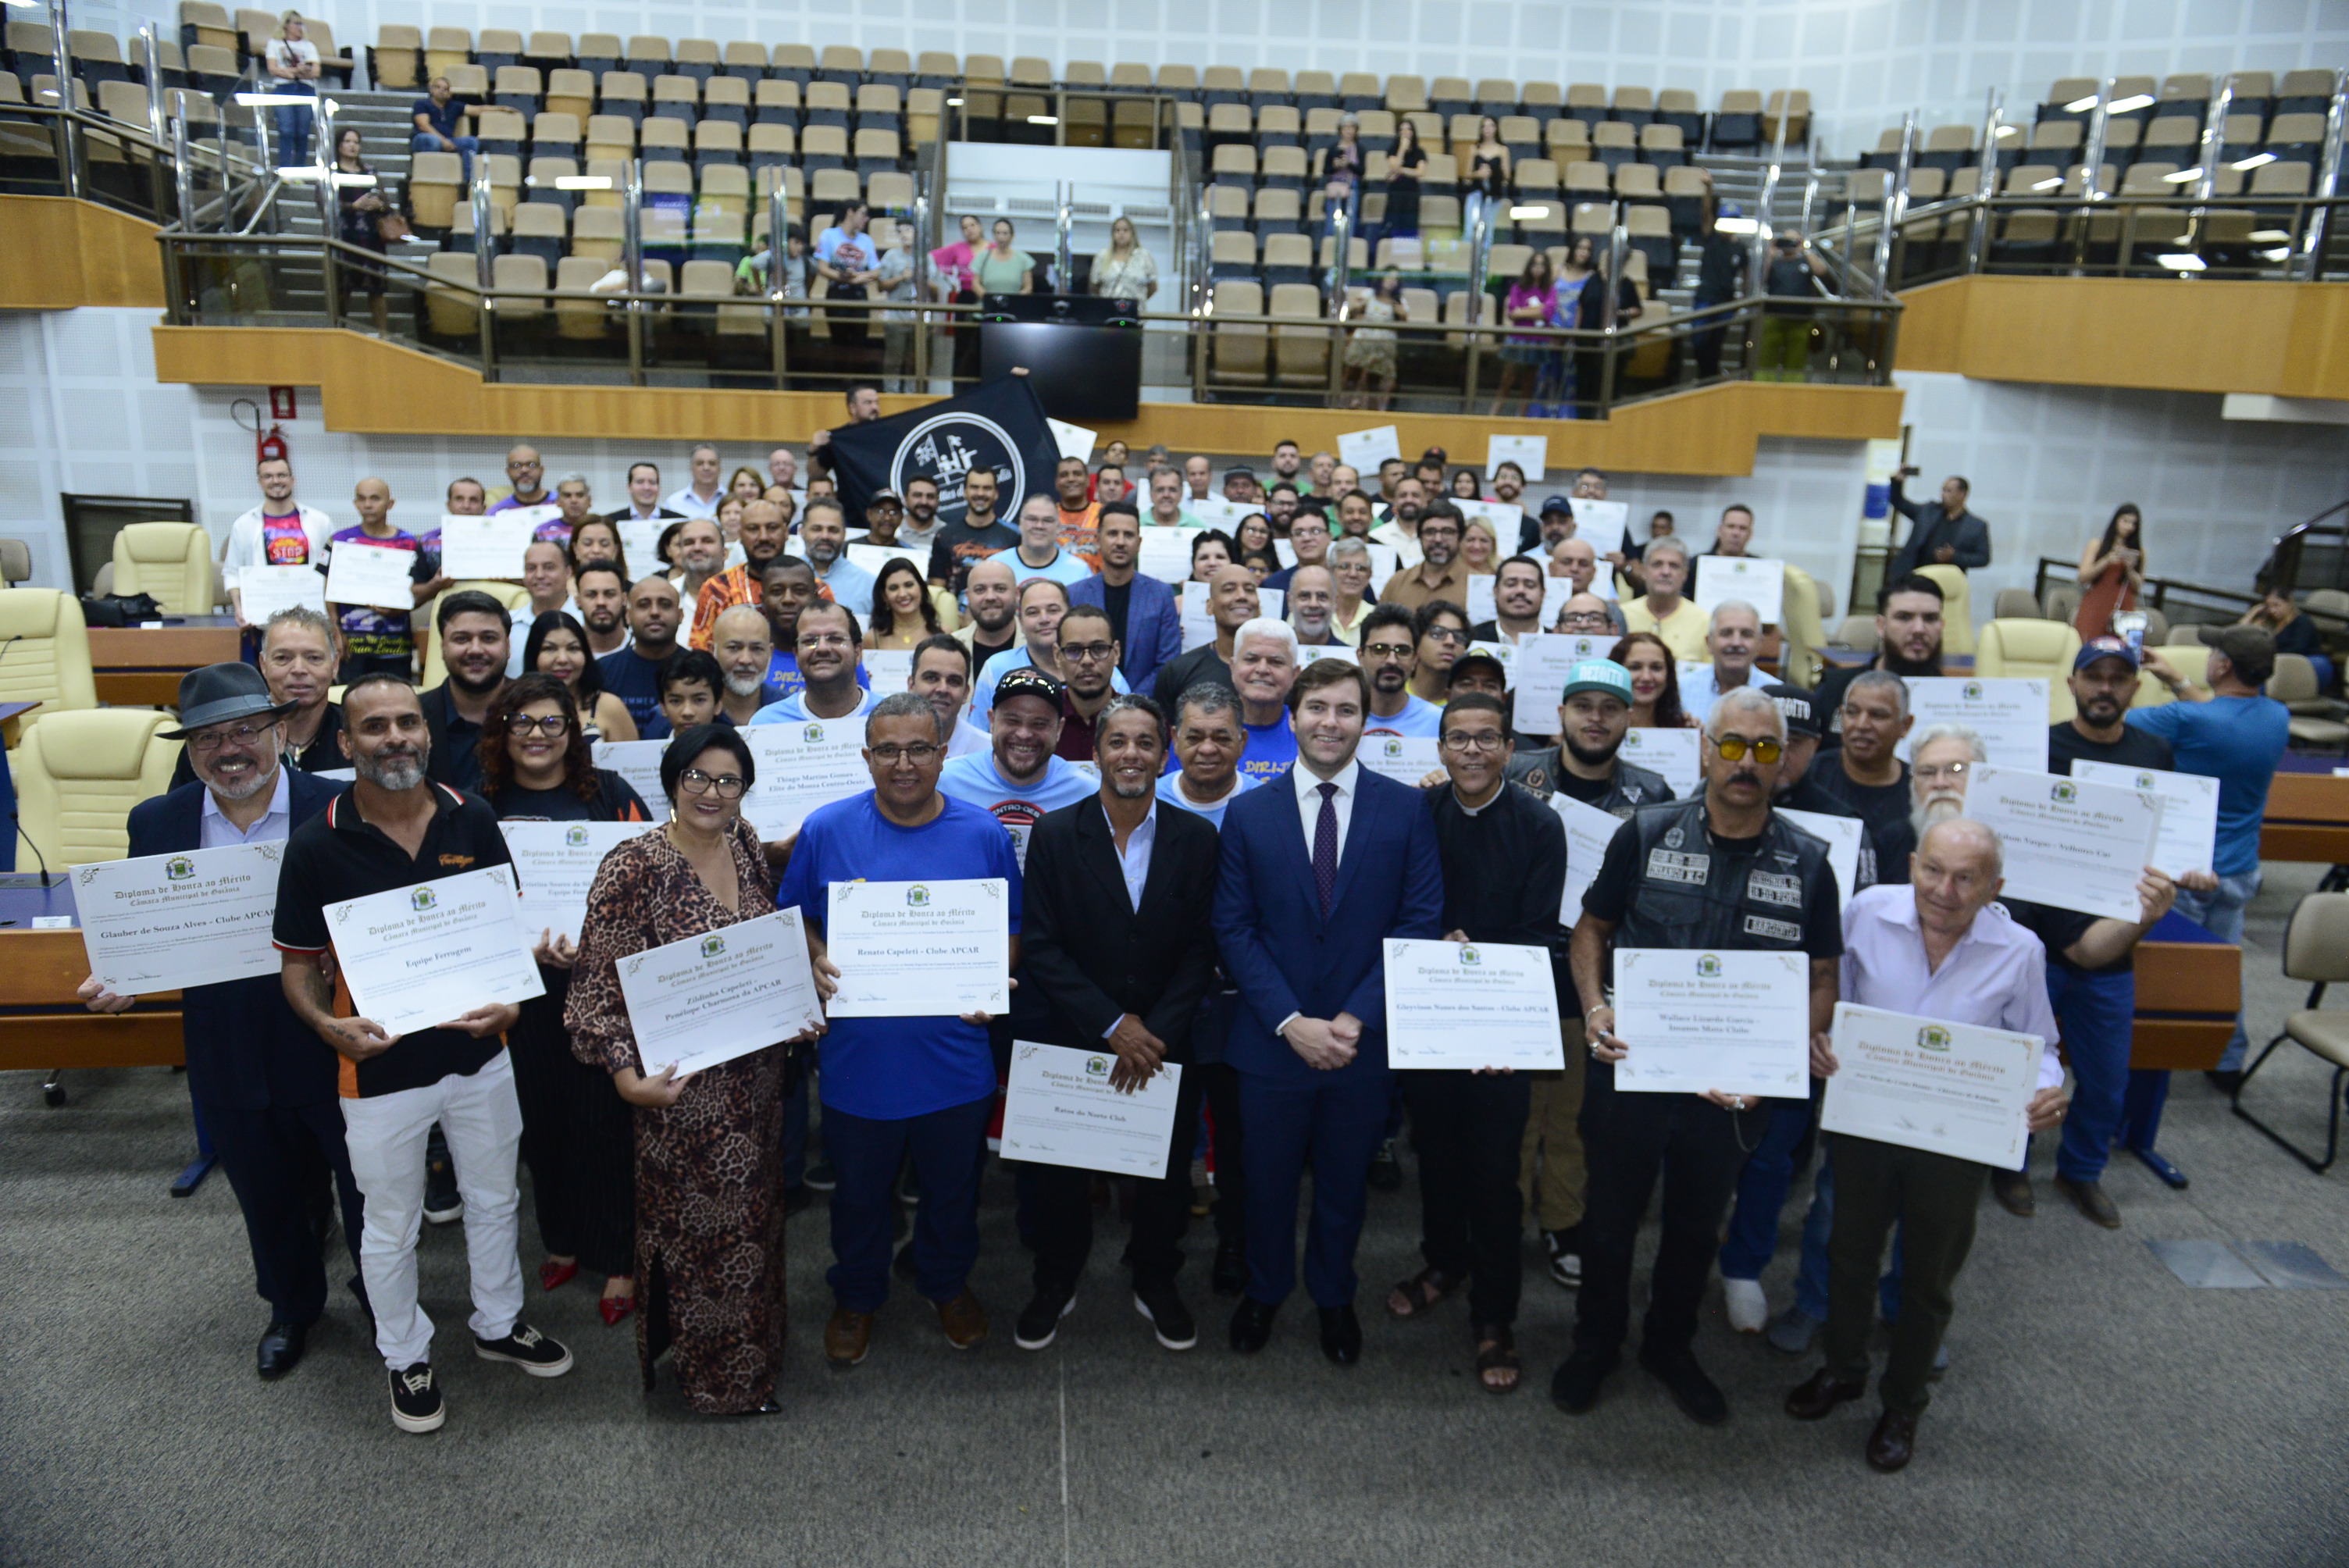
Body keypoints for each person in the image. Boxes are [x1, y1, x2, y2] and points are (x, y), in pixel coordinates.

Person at [273, 676, 572, 1434]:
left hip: (480, 1053)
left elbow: (508, 932)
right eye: (374, 727)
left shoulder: (473, 816)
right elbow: (298, 967)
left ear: (427, 733)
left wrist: (515, 1001)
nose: (395, 738)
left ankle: (498, 1323)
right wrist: (326, 1025)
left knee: (496, 1199)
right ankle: (404, 1353)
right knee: (391, 1222)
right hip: (379, 1069)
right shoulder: (316, 843)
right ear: (347, 742)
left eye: (407, 721)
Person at [1556, 686, 1841, 1425]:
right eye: (1733, 745)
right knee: (1609, 1222)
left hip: (1731, 1089)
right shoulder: (1647, 833)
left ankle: (1669, 1345)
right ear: (1707, 750)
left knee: (1693, 1227)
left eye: (1766, 748)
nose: (1748, 762)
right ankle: (1595, 1343)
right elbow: (1591, 931)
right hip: (1632, 1072)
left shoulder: (1810, 862)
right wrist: (1594, 1008)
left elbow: (1821, 975)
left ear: (1784, 760)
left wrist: (1778, 1063)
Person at [80, 665, 362, 1381]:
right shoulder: (157, 821)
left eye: (244, 730)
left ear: (279, 731)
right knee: (263, 1190)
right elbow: (147, 933)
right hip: (226, 1040)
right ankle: (291, 1308)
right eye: (208, 738)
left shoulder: (340, 807)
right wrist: (122, 977)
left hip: (332, 1035)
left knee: (365, 1183)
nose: (229, 749)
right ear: (190, 750)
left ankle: (384, 1294)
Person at [1777, 818, 2067, 1470]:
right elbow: (1837, 1003)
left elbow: (2040, 1045)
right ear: (1912, 864)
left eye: (1967, 878)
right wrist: (1821, 1040)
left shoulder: (2020, 949)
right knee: (1847, 1254)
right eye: (1933, 870)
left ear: (1995, 887)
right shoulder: (1866, 913)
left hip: (1957, 1138)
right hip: (1866, 1120)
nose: (1945, 890)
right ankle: (1843, 1369)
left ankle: (1904, 1403)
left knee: (1929, 1277)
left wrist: (2048, 1089)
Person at [566, 724, 812, 1413]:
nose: (712, 792)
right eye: (697, 776)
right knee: (700, 1239)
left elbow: (762, 949)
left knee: (756, 1227)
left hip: (757, 1087)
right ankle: (716, 1385)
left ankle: (759, 1357)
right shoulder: (632, 866)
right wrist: (626, 1079)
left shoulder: (745, 842)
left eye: (729, 780)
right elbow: (594, 995)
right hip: (681, 1095)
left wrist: (796, 999)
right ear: (672, 779)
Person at [777, 693, 1023, 1365]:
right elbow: (795, 917)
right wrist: (815, 956)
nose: (904, 764)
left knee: (953, 1193)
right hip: (859, 1061)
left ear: (944, 754)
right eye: (888, 750)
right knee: (859, 1196)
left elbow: (1010, 927)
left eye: (919, 749)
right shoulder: (827, 828)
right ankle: (857, 1296)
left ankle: (947, 1284)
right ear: (866, 757)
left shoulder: (983, 834)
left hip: (956, 1060)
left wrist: (990, 982)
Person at [1214, 657, 1442, 1363]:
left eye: (1346, 710)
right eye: (1317, 709)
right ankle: (1265, 1290)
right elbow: (1233, 928)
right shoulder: (1248, 811)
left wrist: (1355, 1017)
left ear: (1365, 723)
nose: (1330, 723)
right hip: (1271, 1042)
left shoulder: (1405, 809)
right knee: (1267, 1184)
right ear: (1292, 718)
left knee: (1345, 1185)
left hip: (1360, 1045)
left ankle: (1334, 1297)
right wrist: (1290, 1021)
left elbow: (1419, 919)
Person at [1014, 694, 1223, 1350]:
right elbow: (1041, 944)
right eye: (1118, 742)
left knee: (1164, 1174)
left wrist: (1153, 1032)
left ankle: (1155, 1277)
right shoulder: (1055, 835)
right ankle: (1056, 1278)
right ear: (1096, 753)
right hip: (1074, 1034)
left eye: (1145, 743)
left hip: (1164, 1041)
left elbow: (1202, 947)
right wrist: (1111, 1024)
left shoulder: (1197, 839)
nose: (1131, 754)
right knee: (1060, 1178)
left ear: (1165, 754)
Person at [1388, 692, 1564, 1394]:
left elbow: (1543, 932)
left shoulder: (1539, 824)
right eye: (1458, 738)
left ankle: (1495, 1313)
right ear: (1439, 749)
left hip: (1502, 1022)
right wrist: (1437, 944)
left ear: (1509, 750)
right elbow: (1396, 904)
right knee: (1435, 1154)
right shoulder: (1418, 813)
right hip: (1430, 1013)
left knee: (1494, 1174)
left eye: (1487, 738)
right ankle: (1444, 1262)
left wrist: (1473, 953)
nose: (1471, 751)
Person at [474, 674, 651, 1327]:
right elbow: (468, 905)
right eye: (521, 722)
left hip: (608, 989)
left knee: (605, 1124)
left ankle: (620, 1257)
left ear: (574, 732)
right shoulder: (478, 805)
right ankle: (563, 1240)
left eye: (553, 722)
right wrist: (525, 950)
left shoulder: (610, 793)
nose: (537, 735)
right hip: (523, 994)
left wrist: (603, 941)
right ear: (501, 732)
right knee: (542, 1122)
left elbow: (652, 878)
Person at [1500, 658, 1676, 1286]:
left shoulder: (1653, 796)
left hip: (1593, 978)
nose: (1595, 719)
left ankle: (1562, 1221)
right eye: (1583, 706)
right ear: (1561, 714)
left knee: (1574, 1119)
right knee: (1515, 1116)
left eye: (1609, 708)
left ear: (1629, 718)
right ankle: (1503, 1221)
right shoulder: (1517, 774)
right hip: (1517, 972)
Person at [2135, 625, 2293, 1085]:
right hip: (2240, 869)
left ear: (2222, 666)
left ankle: (2152, 1057)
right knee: (2223, 967)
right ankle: (2227, 1061)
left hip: (2185, 869)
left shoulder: (2185, 720)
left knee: (2162, 967)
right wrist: (2177, 680)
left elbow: (2107, 722)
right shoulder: (2277, 716)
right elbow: (2223, 717)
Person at [939, 667, 1100, 868]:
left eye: (1039, 724)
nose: (1024, 734)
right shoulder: (945, 783)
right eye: (1012, 721)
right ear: (992, 721)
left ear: (1059, 729)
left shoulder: (1088, 795)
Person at [1808, 670, 1917, 888]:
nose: (1862, 724)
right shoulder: (1810, 774)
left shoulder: (1917, 791)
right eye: (1852, 712)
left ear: (1905, 725)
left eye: (1878, 715)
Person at [318, 476, 428, 681]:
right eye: (362, 499)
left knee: (396, 696)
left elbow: (418, 591)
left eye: (375, 498)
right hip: (352, 646)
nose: (368, 505)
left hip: (395, 645)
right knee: (351, 697)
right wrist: (335, 630)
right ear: (355, 503)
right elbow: (329, 590)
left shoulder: (409, 543)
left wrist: (401, 608)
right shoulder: (339, 541)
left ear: (390, 503)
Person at [1811, 574, 1947, 736]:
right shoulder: (1836, 688)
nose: (1919, 629)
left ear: (1941, 626)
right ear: (1881, 626)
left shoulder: (1952, 698)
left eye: (1930, 619)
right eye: (1904, 617)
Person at [1071, 502, 1182, 694]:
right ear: (1098, 540)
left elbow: (1167, 662)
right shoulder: (1075, 594)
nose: (1120, 542)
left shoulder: (1161, 595)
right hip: (1087, 701)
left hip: (1144, 703)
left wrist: (1130, 702)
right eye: (1113, 534)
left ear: (1139, 543)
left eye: (1128, 535)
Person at [222, 456, 336, 629]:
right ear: (260, 482)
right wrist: (239, 609)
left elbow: (333, 570)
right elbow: (232, 572)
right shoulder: (244, 525)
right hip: (264, 620)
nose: (275, 481)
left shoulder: (320, 521)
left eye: (281, 475)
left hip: (313, 619)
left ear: (292, 480)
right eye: (268, 476)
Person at [418, 590, 511, 791]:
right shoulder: (413, 715)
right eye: (461, 639)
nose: (475, 649)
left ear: (508, 646)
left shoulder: (534, 709)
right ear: (442, 648)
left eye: (488, 638)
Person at [1151, 564, 1261, 713]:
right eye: (1229, 589)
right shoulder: (1178, 671)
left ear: (1259, 607)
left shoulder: (1276, 670)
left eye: (1249, 590)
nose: (1241, 596)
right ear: (1209, 606)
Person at [750, 602, 878, 725]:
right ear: (796, 655)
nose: (822, 648)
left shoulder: (886, 716)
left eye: (835, 639)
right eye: (810, 641)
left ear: (857, 652)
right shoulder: (766, 723)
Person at [522, 610, 638, 744]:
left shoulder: (609, 706)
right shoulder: (519, 707)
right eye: (550, 648)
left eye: (573, 648)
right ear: (534, 655)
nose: (562, 659)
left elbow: (632, 757)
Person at [686, 499, 789, 649]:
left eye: (772, 528)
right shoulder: (717, 588)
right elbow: (701, 652)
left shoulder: (812, 587)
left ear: (786, 532)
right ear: (740, 535)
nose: (763, 537)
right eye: (753, 529)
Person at [597, 576, 684, 739]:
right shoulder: (601, 671)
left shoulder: (702, 669)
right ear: (628, 616)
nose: (655, 612)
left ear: (680, 615)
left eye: (665, 605)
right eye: (644, 605)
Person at [1160, 682, 1256, 826]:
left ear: (1242, 742)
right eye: (1194, 738)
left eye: (1222, 739)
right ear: (1176, 740)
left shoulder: (1265, 804)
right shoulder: (1151, 801)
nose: (1207, 749)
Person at [926, 466, 1019, 602]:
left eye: (987, 488)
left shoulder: (1014, 536)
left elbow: (1018, 581)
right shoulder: (944, 536)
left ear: (996, 493)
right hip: (957, 613)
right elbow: (937, 590)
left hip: (1000, 610)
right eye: (974, 487)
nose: (980, 493)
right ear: (964, 492)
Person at [1886, 465, 1991, 579]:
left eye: (1949, 491)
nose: (1943, 495)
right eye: (1943, 490)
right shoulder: (1928, 511)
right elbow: (1899, 503)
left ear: (1962, 494)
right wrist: (1897, 482)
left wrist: (1955, 556)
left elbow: (1983, 558)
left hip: (1947, 580)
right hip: (1914, 574)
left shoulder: (1976, 526)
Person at [1046, 604, 1121, 760]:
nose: (1087, 661)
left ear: (1116, 653)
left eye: (1099, 649)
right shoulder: (1042, 720)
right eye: (1074, 650)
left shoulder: (1141, 723)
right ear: (1057, 656)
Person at [1355, 604, 1442, 737]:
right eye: (1380, 650)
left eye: (1403, 651)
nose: (1392, 660)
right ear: (1361, 657)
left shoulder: (1437, 722)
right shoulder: (1340, 719)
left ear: (1415, 659)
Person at [1494, 251, 1560, 416]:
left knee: (1529, 384)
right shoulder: (1518, 288)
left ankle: (1522, 417)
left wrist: (1523, 311)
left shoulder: (1550, 290)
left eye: (1542, 265)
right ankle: (1493, 415)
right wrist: (1537, 310)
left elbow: (1547, 313)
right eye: (1535, 264)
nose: (1538, 268)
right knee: (1507, 380)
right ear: (1529, 267)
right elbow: (1512, 313)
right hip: (1517, 338)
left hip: (1538, 340)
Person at [1620, 537, 1706, 661]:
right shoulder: (1622, 615)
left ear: (1685, 574)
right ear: (1644, 571)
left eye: (1674, 566)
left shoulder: (1704, 622)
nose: (1666, 572)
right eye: (1657, 565)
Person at [1676, 600, 1764, 722]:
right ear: (1709, 643)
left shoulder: (1777, 696)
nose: (1736, 643)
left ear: (1759, 644)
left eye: (1746, 634)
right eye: (1726, 634)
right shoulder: (1680, 691)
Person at [2240, 584, 2332, 691]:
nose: (2273, 610)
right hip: (2279, 664)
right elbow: (2241, 633)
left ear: (2289, 603)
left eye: (2277, 605)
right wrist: (2252, 614)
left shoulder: (2303, 622)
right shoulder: (2270, 623)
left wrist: (2271, 657)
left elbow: (2298, 648)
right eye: (2268, 606)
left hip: (2308, 663)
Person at [1379, 505, 1469, 615]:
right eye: (1430, 532)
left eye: (1447, 531)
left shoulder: (1475, 585)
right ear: (1420, 537)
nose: (1438, 539)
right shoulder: (1397, 583)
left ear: (1460, 537)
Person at [2073, 504, 2145, 640]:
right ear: (2116, 521)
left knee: (2120, 646)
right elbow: (2083, 576)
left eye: (2133, 524)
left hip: (2124, 607)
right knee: (2090, 642)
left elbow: (2138, 587)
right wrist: (2107, 560)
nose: (2129, 527)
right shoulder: (2097, 545)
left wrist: (2130, 568)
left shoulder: (2139, 552)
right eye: (2125, 521)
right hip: (2097, 603)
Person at [1003, 493, 1097, 593]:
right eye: (1032, 519)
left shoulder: (1080, 571)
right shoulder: (1000, 564)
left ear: (1058, 527)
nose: (1039, 526)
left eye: (1047, 520)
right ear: (1020, 523)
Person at [707, 604, 785, 725]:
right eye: (734, 648)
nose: (746, 660)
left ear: (770, 653)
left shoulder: (787, 711)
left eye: (757, 649)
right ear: (712, 651)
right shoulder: (696, 714)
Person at [797, 496, 875, 612]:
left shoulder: (868, 585)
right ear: (802, 532)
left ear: (844, 534)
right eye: (817, 529)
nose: (825, 536)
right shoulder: (784, 577)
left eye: (833, 530)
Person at [264, 10, 322, 167]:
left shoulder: (309, 46)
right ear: (286, 25)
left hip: (305, 89)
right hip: (283, 88)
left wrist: (290, 73)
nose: (300, 27)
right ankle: (285, 167)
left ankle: (299, 168)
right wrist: (298, 71)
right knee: (286, 129)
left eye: (301, 24)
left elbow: (316, 72)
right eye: (296, 24)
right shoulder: (274, 43)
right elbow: (273, 69)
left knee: (302, 132)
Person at [1342, 273, 1406, 412]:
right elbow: (1354, 312)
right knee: (1352, 375)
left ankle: (1373, 411)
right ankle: (1344, 407)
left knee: (1374, 381)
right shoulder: (1368, 294)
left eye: (1395, 279)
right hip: (1363, 341)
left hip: (1383, 345)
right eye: (1388, 277)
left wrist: (1400, 313)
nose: (1391, 281)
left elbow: (1403, 322)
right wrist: (1358, 309)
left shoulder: (1399, 301)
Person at [953, 556, 1021, 675]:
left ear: (1017, 595)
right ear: (968, 597)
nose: (990, 597)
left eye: (1000, 589)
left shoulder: (1039, 645)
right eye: (980, 590)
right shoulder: (951, 647)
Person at [1468, 555, 1549, 647]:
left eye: (1530, 585)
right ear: (1496, 592)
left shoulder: (1558, 641)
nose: (1520, 590)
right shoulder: (1470, 640)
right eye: (1511, 584)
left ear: (1543, 594)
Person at [409, 73, 478, 180]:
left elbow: (477, 110)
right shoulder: (421, 104)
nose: (442, 91)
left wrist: (501, 108)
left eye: (445, 89)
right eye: (438, 87)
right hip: (424, 139)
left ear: (449, 94)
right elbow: (423, 126)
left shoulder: (454, 106)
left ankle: (467, 181)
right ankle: (429, 178)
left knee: (471, 142)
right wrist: (443, 141)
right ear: (431, 90)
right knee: (433, 141)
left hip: (448, 140)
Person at [868, 558, 943, 650]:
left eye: (909, 585)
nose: (902, 594)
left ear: (921, 588)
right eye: (893, 588)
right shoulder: (872, 639)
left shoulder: (944, 632)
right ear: (884, 596)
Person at [1406, 600, 1471, 707]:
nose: (1450, 642)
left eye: (1458, 636)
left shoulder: (1466, 706)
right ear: (1416, 642)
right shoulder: (1393, 693)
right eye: (1438, 633)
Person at [1091, 213, 1158, 305]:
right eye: (1117, 230)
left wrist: (1139, 302)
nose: (1121, 234)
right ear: (1112, 234)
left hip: (1135, 309)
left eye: (1125, 230)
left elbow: (1153, 287)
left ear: (1132, 233)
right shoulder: (1102, 256)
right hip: (1109, 309)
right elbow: (1094, 286)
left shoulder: (1144, 256)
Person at [1264, 509, 1332, 595]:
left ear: (1329, 537)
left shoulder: (1343, 580)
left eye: (1315, 531)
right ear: (1290, 540)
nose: (1307, 538)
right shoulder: (1273, 585)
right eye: (1299, 533)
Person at [571, 561, 632, 660]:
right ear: (578, 601)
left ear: (624, 599)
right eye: (591, 595)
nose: (601, 602)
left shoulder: (642, 650)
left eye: (610, 594)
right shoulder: (566, 656)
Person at [603, 461, 686, 531]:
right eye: (640, 482)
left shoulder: (679, 522)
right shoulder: (610, 522)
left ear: (659, 488)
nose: (647, 487)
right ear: (629, 487)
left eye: (652, 482)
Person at [1329, 537, 1379, 647]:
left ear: (1369, 575)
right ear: (1331, 572)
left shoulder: (1379, 618)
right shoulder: (1313, 614)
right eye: (1344, 567)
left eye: (1360, 568)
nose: (1353, 574)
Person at [1384, 116, 1428, 235]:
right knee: (1394, 223)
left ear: (1413, 132)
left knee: (1410, 224)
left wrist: (1400, 170)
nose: (1405, 132)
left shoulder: (1419, 152)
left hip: (1412, 191)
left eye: (1408, 129)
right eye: (1402, 130)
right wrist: (1402, 149)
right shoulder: (1393, 150)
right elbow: (1394, 166)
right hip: (1396, 191)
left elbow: (1420, 172)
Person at [665, 444, 727, 520]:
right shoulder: (673, 503)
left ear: (720, 468)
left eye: (712, 463)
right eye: (700, 463)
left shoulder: (732, 501)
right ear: (692, 468)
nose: (706, 468)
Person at [1286, 565, 1342, 650]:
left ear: (1335, 602)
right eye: (1305, 596)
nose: (1313, 604)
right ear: (1290, 601)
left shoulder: (1350, 656)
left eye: (1322, 596)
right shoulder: (1272, 654)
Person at [975, 217, 1034, 294]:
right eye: (998, 233)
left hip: (1014, 301)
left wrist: (1015, 299)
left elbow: (1028, 287)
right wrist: (988, 298)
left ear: (1012, 236)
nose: (1001, 237)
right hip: (988, 301)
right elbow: (975, 284)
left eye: (1005, 233)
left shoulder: (1023, 259)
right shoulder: (982, 257)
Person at [1144, 466, 1203, 531]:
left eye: (1172, 490)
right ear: (1150, 493)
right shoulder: (1138, 524)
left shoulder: (1198, 528)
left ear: (1181, 493)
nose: (1166, 495)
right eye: (1160, 490)